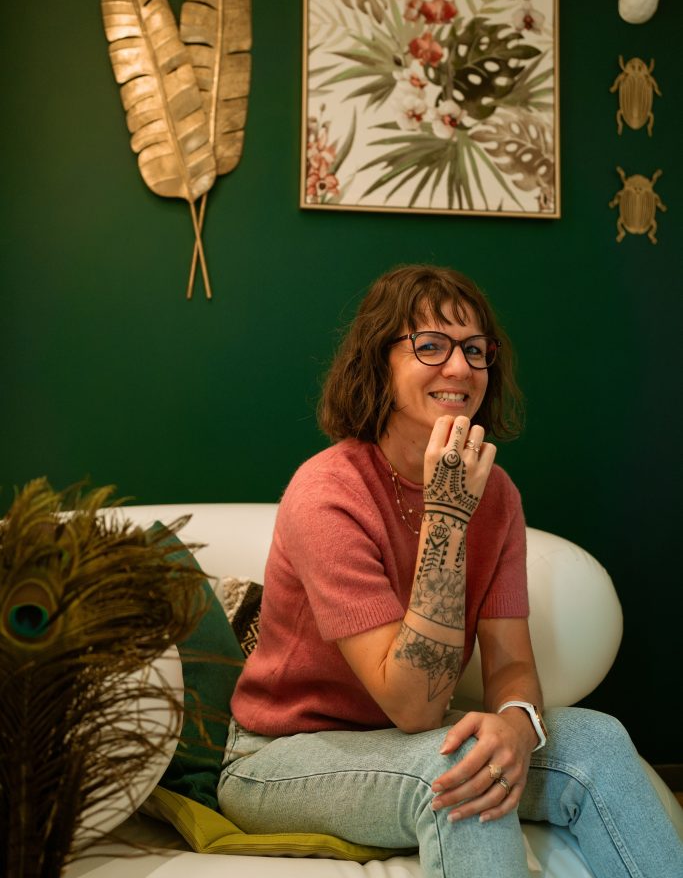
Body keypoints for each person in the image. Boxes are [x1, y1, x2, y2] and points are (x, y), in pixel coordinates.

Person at [218, 264, 683, 878]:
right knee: (459, 773)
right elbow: (414, 707)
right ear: (378, 362)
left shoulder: (497, 494)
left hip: (408, 741)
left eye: (475, 349)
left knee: (596, 739)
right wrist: (447, 514)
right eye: (431, 346)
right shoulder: (327, 493)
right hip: (280, 756)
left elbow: (510, 664)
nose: (460, 368)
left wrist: (518, 725)